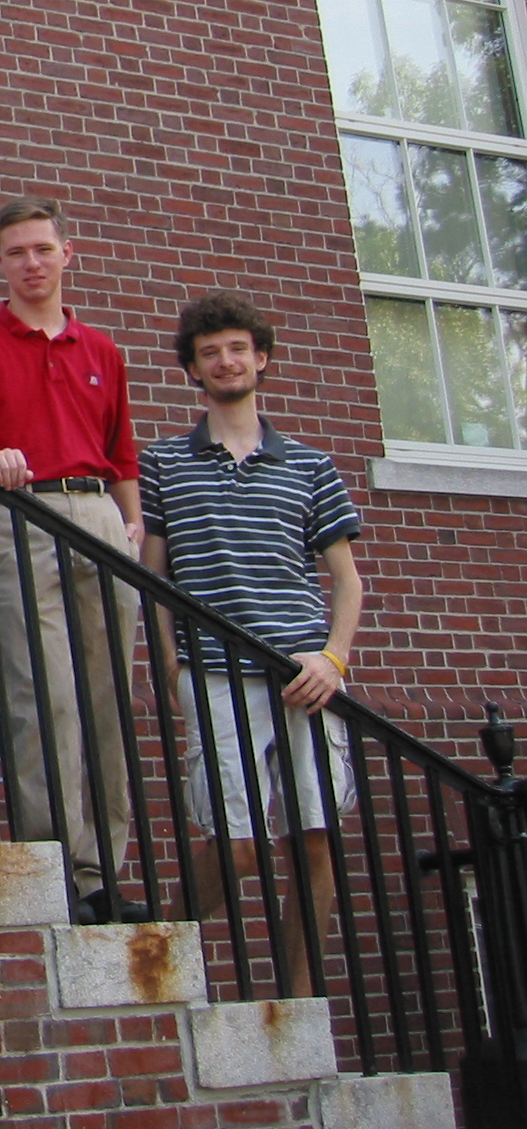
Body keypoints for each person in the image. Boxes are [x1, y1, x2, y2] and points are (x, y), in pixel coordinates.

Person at [141, 290, 363, 991]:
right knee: (237, 847)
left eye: (238, 348)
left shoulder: (311, 466)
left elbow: (347, 582)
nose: (226, 361)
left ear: (261, 359)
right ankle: (156, 943)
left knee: (314, 840)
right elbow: (152, 577)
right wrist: (171, 667)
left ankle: (301, 1003)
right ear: (192, 369)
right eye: (210, 353)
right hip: (214, 673)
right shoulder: (163, 464)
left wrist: (333, 659)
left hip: (305, 671)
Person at [0, 198, 146, 922]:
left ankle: (103, 876)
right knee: (42, 695)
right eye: (16, 252)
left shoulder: (103, 352)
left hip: (101, 516)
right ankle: (56, 866)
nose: (31, 263)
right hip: (21, 510)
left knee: (110, 702)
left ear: (67, 253)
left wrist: (132, 525)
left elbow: (123, 454)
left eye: (42, 249)